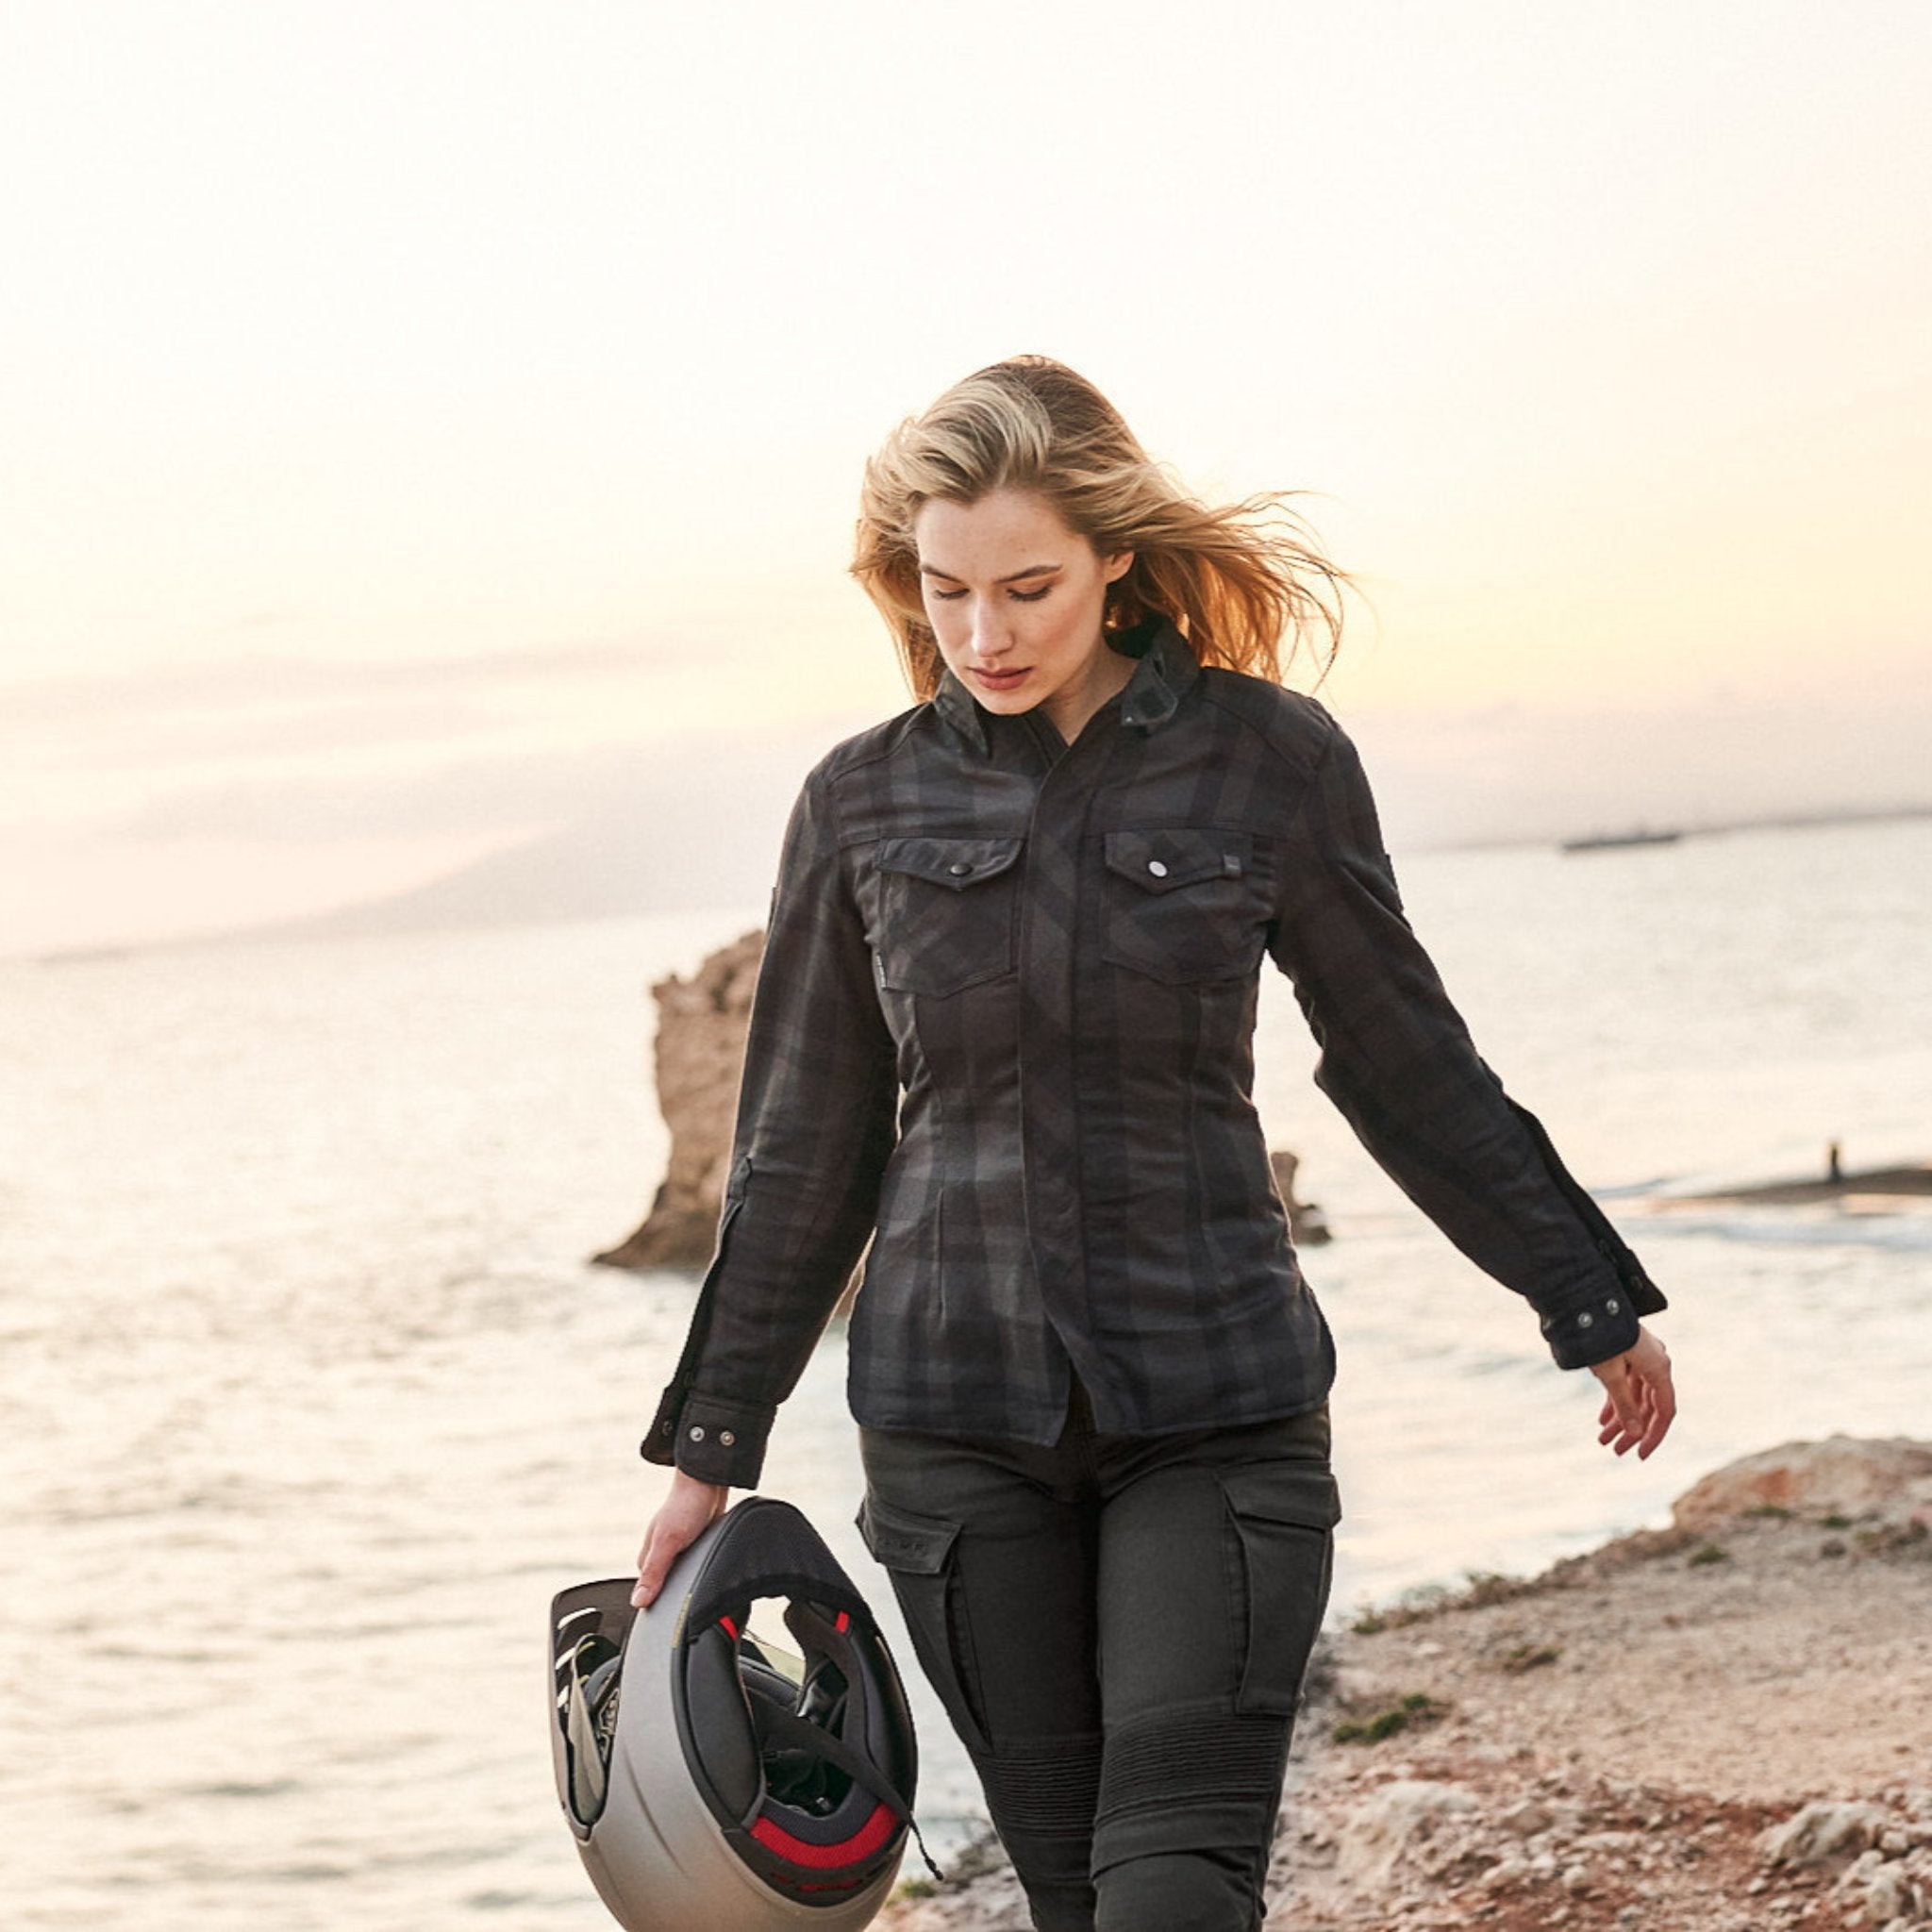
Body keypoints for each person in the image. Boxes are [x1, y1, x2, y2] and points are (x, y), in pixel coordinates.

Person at [632, 355, 1677, 1932]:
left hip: (1219, 1408)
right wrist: (710, 1450)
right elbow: (805, 1145)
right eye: (947, 591)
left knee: (1175, 1889)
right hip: (950, 1432)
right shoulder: (858, 803)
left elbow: (1401, 1059)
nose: (984, 635)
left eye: (1030, 588)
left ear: (1118, 558)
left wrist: (1583, 1295)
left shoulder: (1271, 759)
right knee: (1071, 1897)